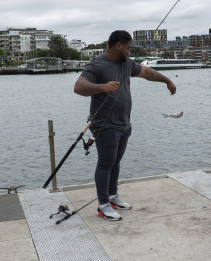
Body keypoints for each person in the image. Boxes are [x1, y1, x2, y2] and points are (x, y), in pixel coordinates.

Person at [74, 30, 176, 221]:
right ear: (118, 45)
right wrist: (102, 87)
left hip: (124, 124)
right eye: (128, 47)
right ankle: (103, 205)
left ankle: (112, 196)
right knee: (105, 163)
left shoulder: (126, 64)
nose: (129, 51)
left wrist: (167, 80)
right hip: (105, 125)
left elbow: (147, 73)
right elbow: (78, 87)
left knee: (115, 162)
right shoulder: (97, 65)